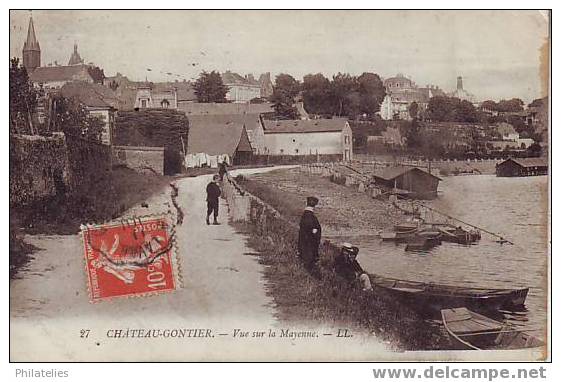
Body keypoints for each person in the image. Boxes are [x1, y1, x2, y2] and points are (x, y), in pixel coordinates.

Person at [298, 196, 322, 277]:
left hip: (305, 242)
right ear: (315, 205)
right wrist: (315, 232)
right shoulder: (309, 216)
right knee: (308, 262)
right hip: (309, 243)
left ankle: (306, 274)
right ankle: (308, 276)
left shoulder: (305, 215)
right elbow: (311, 230)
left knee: (307, 260)